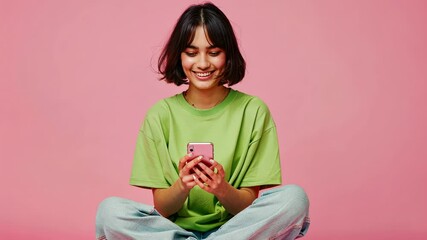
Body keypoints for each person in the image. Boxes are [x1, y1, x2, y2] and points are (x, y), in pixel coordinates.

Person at [96, 2, 310, 240]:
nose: (202, 63)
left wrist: (221, 188)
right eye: (191, 53)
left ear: (227, 54)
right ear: (179, 56)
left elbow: (247, 207)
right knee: (109, 212)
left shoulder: (253, 111)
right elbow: (162, 209)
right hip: (173, 231)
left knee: (295, 199)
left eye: (214, 52)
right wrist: (182, 185)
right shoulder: (159, 115)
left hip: (236, 230)